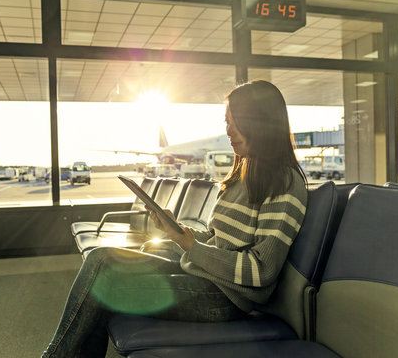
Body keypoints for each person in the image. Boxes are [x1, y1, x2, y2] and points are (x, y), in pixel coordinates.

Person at [41, 80, 308, 358]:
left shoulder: (285, 185)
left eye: (236, 122)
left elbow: (261, 270)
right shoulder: (242, 177)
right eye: (226, 122)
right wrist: (177, 231)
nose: (228, 131)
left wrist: (190, 244)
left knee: (102, 283)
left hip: (225, 299)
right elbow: (218, 242)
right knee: (101, 258)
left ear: (261, 122)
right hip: (202, 277)